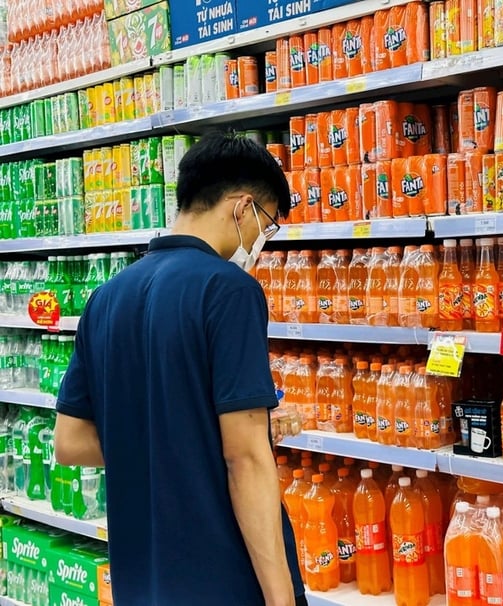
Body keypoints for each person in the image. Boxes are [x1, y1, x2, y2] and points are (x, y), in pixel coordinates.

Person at [53, 133, 305, 606]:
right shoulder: (228, 290)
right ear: (242, 207)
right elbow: (245, 459)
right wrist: (281, 598)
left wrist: (177, 445)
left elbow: (70, 443)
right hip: (222, 573)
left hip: (141, 577)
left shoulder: (105, 298)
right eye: (267, 225)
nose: (260, 243)